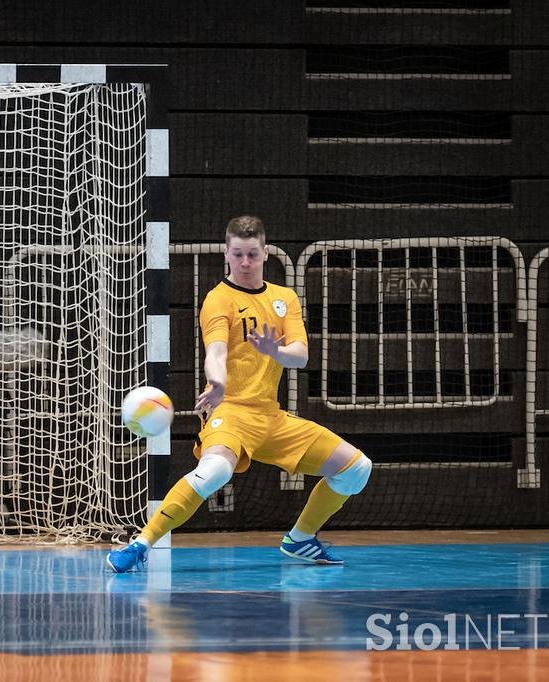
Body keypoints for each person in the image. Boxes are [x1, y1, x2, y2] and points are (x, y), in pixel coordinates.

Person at [108, 215, 371, 572]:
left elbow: (302, 354)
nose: (245, 263)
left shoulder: (285, 298)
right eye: (237, 255)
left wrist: (274, 352)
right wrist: (216, 383)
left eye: (252, 254)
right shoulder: (218, 300)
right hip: (229, 410)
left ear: (265, 254)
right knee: (215, 470)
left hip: (271, 417)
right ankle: (140, 544)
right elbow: (215, 352)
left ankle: (300, 539)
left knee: (357, 469)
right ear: (227, 255)